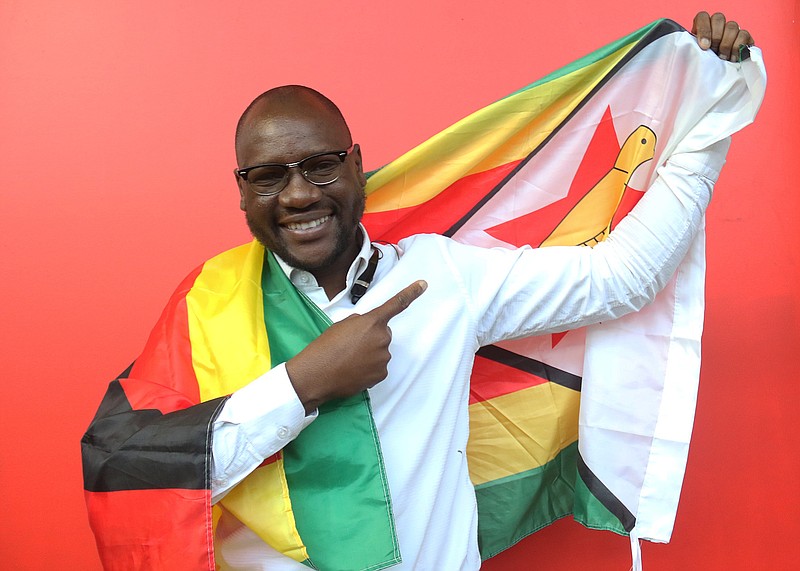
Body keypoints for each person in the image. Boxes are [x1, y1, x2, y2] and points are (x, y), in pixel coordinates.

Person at [83, 12, 755, 571]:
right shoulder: (207, 304)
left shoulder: (443, 276)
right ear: (241, 191)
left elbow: (619, 280)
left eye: (320, 165)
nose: (297, 194)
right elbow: (136, 467)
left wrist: (707, 123)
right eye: (269, 175)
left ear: (355, 166)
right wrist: (302, 384)